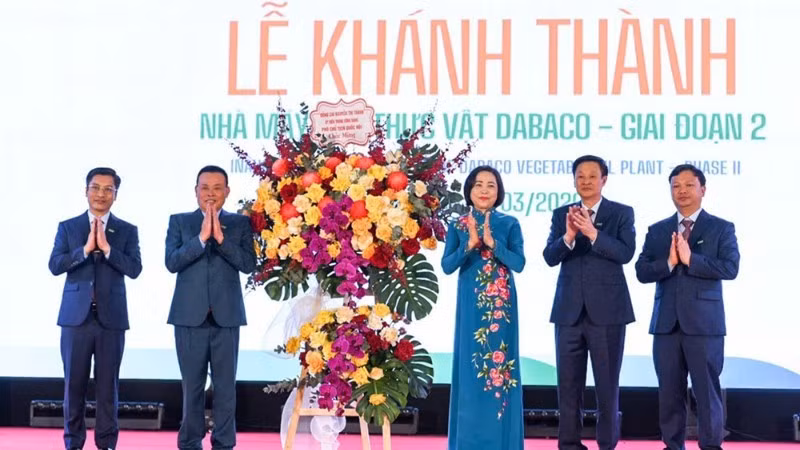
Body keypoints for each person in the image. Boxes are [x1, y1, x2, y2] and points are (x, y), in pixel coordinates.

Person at [635, 164, 739, 450]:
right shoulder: (658, 230)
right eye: (676, 186)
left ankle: (711, 445)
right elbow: (642, 271)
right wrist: (669, 263)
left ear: (702, 189)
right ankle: (673, 445)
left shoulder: (721, 228)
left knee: (706, 392)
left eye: (689, 185)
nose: (682, 191)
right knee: (669, 393)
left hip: (705, 325)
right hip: (666, 325)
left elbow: (730, 268)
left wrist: (691, 259)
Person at [542, 155, 636, 450]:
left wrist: (593, 233)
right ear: (574, 180)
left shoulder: (621, 213)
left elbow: (625, 253)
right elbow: (549, 257)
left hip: (608, 313)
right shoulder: (562, 214)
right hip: (568, 312)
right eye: (580, 176)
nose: (585, 181)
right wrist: (569, 236)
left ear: (603, 180)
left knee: (607, 385)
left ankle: (607, 443)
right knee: (568, 385)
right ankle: (569, 444)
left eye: (592, 176)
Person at [48, 167, 142, 450]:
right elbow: (55, 265)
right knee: (73, 387)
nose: (101, 194)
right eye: (96, 187)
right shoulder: (69, 227)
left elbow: (135, 269)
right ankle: (73, 442)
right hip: (75, 320)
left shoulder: (127, 230)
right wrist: (85, 250)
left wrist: (108, 249)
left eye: (108, 189)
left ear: (116, 194)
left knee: (107, 388)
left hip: (111, 321)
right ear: (86, 190)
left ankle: (107, 443)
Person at [165, 165, 256, 450]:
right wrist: (201, 239)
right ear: (196, 191)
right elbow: (172, 262)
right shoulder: (180, 222)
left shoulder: (240, 224)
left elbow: (248, 264)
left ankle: (224, 443)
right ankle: (190, 442)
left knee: (225, 388)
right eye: (205, 188)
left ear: (227, 192)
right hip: (188, 317)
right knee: (191, 387)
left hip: (226, 317)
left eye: (217, 188)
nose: (211, 194)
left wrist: (221, 240)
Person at [441, 165, 526, 450]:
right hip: (470, 307)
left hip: (501, 311)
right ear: (469, 190)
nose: (484, 190)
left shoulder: (510, 223)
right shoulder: (457, 224)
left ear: (499, 191)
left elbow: (519, 264)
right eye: (478, 184)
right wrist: (470, 245)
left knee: (501, 374)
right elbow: (447, 266)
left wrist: (493, 244)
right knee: (469, 371)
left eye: (491, 185)